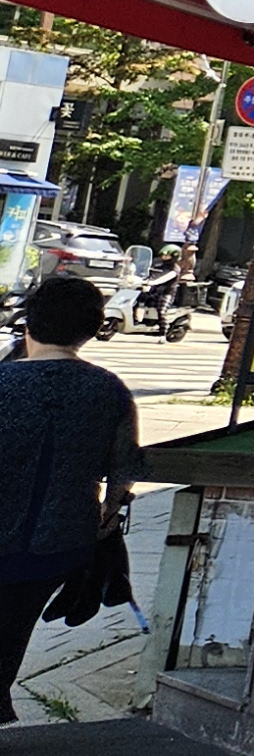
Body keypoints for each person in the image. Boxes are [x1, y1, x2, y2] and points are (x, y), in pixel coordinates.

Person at [0, 273, 136, 719]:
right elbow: (123, 470)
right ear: (90, 330)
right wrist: (108, 514)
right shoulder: (109, 389)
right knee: (11, 632)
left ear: (28, 325)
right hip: (59, 543)